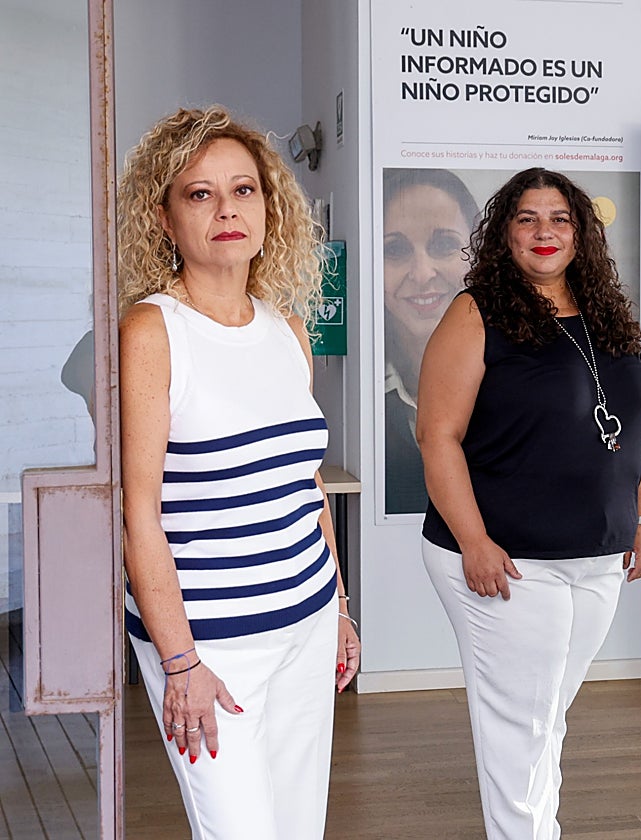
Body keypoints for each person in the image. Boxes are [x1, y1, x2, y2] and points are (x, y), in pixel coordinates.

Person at [117, 105, 360, 839]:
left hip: (308, 625)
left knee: (297, 829)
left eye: (244, 190)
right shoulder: (153, 330)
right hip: (211, 646)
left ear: (268, 206)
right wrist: (180, 662)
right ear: (164, 219)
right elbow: (140, 516)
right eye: (199, 194)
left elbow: (306, 489)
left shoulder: (287, 329)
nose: (226, 209)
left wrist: (341, 609)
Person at [416, 167, 641, 839]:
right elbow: (436, 436)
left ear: (582, 233)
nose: (544, 232)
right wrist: (473, 541)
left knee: (544, 716)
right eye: (526, 218)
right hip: (510, 557)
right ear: (504, 233)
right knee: (520, 728)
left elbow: (639, 420)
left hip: (601, 553)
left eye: (559, 219)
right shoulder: (477, 313)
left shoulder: (605, 312)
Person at [381, 168, 479, 514]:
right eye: (394, 250)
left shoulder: (525, 375)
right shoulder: (360, 398)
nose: (422, 273)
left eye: (444, 245)